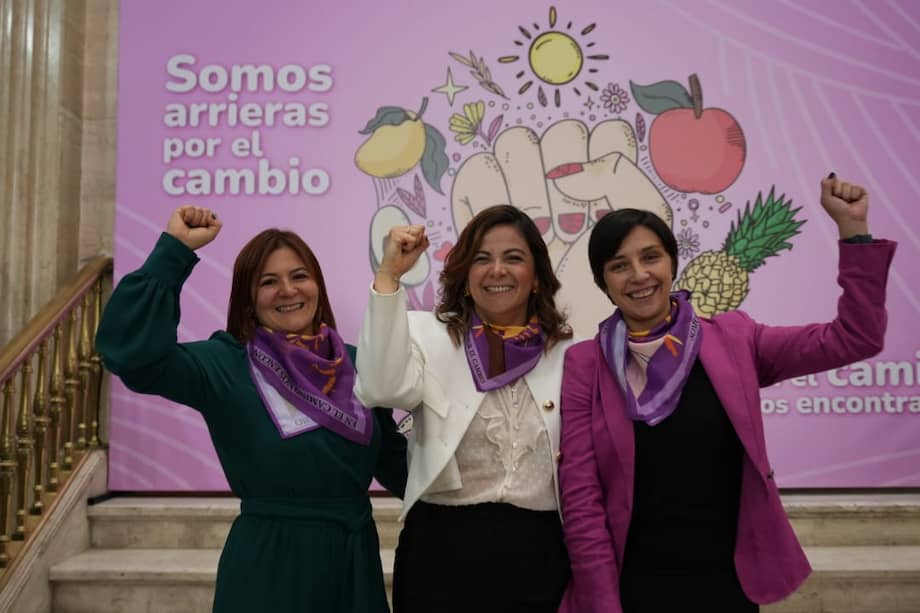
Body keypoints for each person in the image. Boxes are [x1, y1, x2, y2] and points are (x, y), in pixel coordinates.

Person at [553, 175, 896, 612]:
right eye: (619, 265)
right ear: (603, 281)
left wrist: (854, 232)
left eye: (651, 257)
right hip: (633, 586)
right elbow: (582, 499)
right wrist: (603, 604)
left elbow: (855, 338)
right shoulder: (587, 365)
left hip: (727, 585)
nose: (638, 275)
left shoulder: (734, 340)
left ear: (671, 264)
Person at [96, 205, 407, 613]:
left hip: (352, 569)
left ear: (318, 286)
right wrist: (173, 253)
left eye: (299, 276)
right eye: (268, 282)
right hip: (269, 570)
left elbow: (398, 465)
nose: (288, 290)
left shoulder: (358, 363)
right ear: (249, 299)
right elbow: (132, 357)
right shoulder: (224, 365)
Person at [355, 205, 576, 612]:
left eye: (513, 258)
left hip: (540, 554)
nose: (497, 270)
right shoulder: (428, 335)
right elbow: (378, 388)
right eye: (481, 258)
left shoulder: (567, 354)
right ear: (465, 275)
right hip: (441, 552)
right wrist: (388, 277)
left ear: (538, 278)